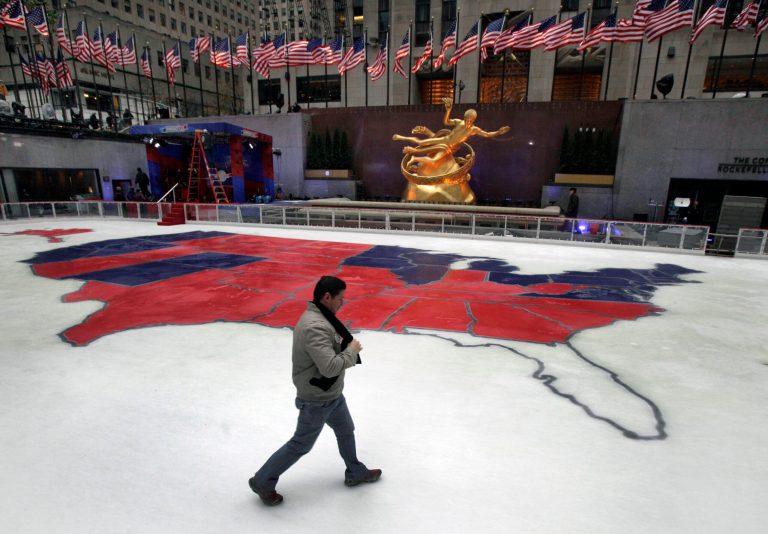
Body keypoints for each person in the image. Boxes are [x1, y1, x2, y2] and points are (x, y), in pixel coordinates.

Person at [249, 276, 381, 506]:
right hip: (316, 400)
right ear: (326, 296)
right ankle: (262, 480)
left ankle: (355, 471)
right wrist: (351, 351)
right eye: (340, 299)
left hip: (332, 395)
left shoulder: (323, 317)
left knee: (346, 430)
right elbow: (329, 367)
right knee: (301, 444)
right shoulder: (315, 326)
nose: (342, 303)